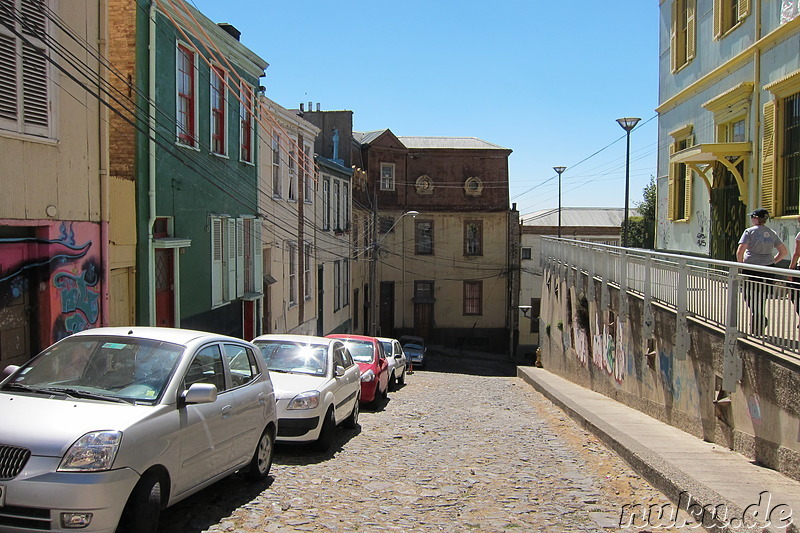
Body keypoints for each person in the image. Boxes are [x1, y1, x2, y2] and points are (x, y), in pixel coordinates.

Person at [736, 208, 788, 334]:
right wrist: (772, 262)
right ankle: (758, 321)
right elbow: (784, 252)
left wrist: (740, 266)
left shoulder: (749, 232)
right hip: (768, 268)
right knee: (761, 296)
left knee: (749, 295)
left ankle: (760, 320)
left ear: (755, 218)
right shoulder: (771, 232)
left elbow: (740, 251)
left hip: (752, 268)